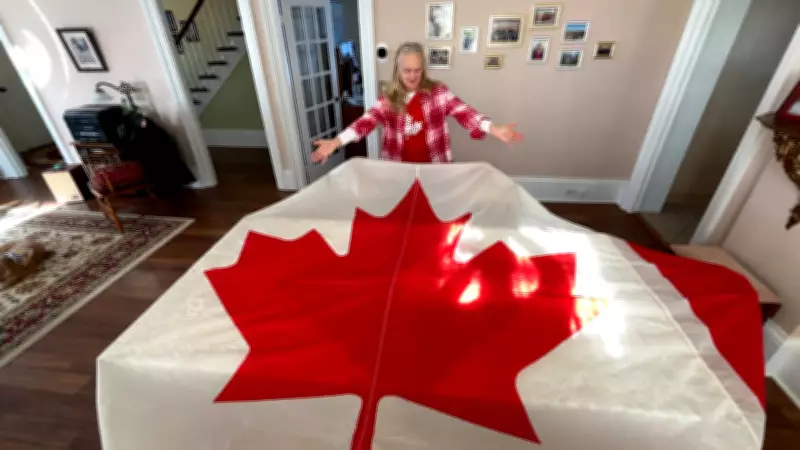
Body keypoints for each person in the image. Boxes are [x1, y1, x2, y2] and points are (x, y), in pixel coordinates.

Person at [312, 42, 522, 164]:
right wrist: (336, 142)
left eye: (417, 70)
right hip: (398, 168)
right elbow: (366, 121)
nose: (412, 76)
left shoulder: (438, 92)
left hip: (435, 166)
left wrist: (493, 128)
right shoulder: (388, 98)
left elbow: (464, 112)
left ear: (423, 69)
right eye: (407, 70)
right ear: (398, 70)